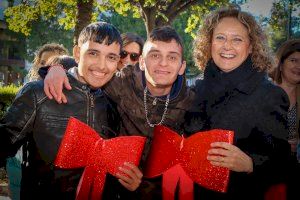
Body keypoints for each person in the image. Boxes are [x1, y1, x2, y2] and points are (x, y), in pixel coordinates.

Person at [41, 26, 194, 199]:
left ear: (182, 67)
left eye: (172, 57)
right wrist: (56, 68)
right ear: (142, 62)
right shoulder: (120, 83)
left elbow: (192, 170)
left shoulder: (193, 103)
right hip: (113, 190)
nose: (163, 63)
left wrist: (142, 186)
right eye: (155, 55)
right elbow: (87, 69)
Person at [0, 22, 142, 200]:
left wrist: (131, 183)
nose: (102, 65)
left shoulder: (112, 106)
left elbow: (110, 174)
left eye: (111, 57)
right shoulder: (38, 93)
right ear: (77, 53)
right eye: (93, 53)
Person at [184, 6, 291, 200]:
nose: (227, 46)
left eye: (237, 39)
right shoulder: (195, 91)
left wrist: (251, 164)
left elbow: (283, 163)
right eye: (220, 37)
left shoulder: (270, 95)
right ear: (209, 43)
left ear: (251, 47)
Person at [6, 42, 69, 200]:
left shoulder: (70, 95)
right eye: (43, 63)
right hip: (20, 158)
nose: (48, 68)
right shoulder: (29, 90)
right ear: (37, 65)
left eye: (53, 63)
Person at [269, 39, 300, 200]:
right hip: (268, 168)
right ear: (281, 64)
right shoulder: (264, 94)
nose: (298, 66)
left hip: (294, 166)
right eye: (293, 60)